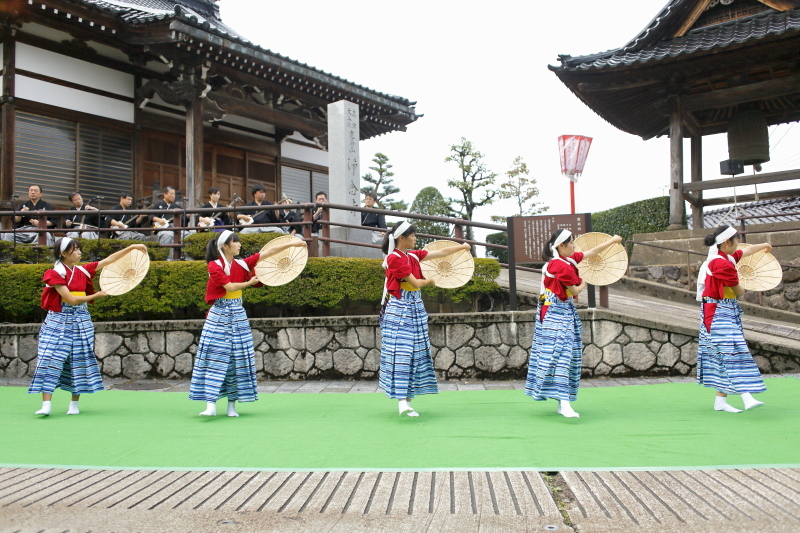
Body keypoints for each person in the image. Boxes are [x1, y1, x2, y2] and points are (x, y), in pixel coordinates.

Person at [189, 230, 307, 416]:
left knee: (238, 359)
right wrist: (250, 282)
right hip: (219, 314)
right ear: (225, 246)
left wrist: (293, 244)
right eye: (235, 242)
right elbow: (229, 286)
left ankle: (231, 406)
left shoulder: (241, 264)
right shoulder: (214, 265)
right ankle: (210, 404)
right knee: (214, 357)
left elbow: (267, 253)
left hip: (237, 314)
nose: (239, 245)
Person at [28, 237, 147, 415]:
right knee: (49, 358)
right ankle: (46, 404)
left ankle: (74, 405)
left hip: (81, 320)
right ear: (64, 253)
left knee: (79, 359)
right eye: (75, 249)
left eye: (79, 249)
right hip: (58, 320)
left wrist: (131, 247)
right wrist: (95, 296)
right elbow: (71, 299)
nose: (79, 252)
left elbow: (108, 260)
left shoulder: (82, 271)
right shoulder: (55, 273)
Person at [524, 229, 622, 418]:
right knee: (563, 355)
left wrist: (612, 241)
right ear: (561, 245)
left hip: (559, 310)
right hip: (555, 312)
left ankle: (563, 401)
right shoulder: (560, 266)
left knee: (564, 355)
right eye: (571, 243)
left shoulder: (566, 261)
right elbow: (575, 290)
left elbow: (591, 252)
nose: (574, 246)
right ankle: (565, 402)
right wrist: (585, 282)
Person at [379, 221, 470, 417]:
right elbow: (416, 283)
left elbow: (441, 252)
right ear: (401, 238)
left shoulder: (411, 254)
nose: (416, 239)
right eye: (412, 236)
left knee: (416, 353)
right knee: (402, 353)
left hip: (415, 308)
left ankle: (407, 400)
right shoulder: (394, 259)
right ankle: (402, 401)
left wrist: (462, 247)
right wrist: (430, 280)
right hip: (400, 309)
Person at [696, 225, 773, 413]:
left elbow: (746, 251)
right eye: (736, 239)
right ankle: (746, 396)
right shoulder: (720, 263)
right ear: (727, 242)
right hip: (716, 312)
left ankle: (720, 402)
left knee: (724, 354)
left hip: (722, 309)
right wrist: (743, 282)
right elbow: (739, 290)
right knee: (731, 352)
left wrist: (764, 245)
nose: (738, 243)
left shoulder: (726, 257)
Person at [152, 186, 194, 258]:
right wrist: (158, 219)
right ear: (164, 194)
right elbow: (151, 215)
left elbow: (183, 222)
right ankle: (167, 259)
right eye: (171, 194)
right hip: (164, 228)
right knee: (166, 236)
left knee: (188, 235)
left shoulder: (176, 206)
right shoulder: (158, 205)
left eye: (174, 194)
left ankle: (187, 258)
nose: (173, 196)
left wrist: (187, 216)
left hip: (176, 228)